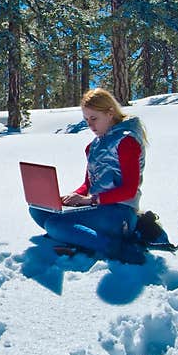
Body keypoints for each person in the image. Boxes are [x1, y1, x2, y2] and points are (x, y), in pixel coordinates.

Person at [30, 87, 148, 264]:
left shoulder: (126, 141)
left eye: (94, 118)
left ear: (110, 113)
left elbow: (129, 191)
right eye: (86, 120)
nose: (90, 125)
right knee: (38, 210)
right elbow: (88, 185)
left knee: (54, 225)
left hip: (120, 213)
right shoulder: (94, 146)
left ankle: (117, 248)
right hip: (98, 208)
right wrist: (70, 197)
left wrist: (90, 200)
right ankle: (80, 237)